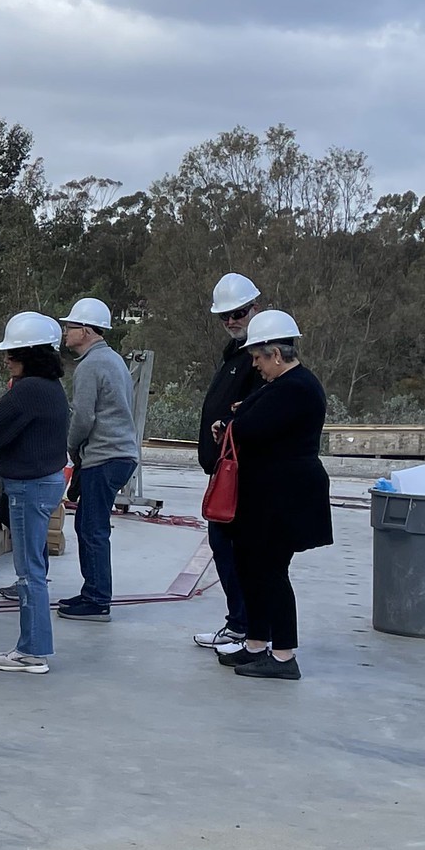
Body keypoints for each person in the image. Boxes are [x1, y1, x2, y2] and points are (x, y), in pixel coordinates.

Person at [217, 310, 330, 681]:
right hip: (267, 495)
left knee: (271, 572)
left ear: (276, 355)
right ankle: (256, 643)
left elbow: (250, 427)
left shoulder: (295, 388)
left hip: (285, 496)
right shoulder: (284, 386)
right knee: (252, 567)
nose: (256, 366)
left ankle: (283, 654)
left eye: (258, 358)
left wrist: (233, 422)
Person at [0, 314, 70, 675]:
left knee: (29, 571)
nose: (6, 359)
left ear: (29, 355)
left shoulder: (30, 390)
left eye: (12, 353)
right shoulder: (48, 388)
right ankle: (33, 647)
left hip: (30, 488)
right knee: (33, 567)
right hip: (41, 483)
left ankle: (33, 650)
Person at [55, 297, 139, 622]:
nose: (66, 332)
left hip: (104, 456)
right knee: (89, 524)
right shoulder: (113, 360)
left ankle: (97, 599)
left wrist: (72, 448)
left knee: (92, 527)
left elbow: (83, 419)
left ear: (87, 330)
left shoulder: (90, 365)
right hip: (118, 455)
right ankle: (93, 591)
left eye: (71, 326)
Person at [193, 272, 263, 653]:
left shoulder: (260, 357)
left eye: (238, 313)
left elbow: (260, 413)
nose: (232, 321)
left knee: (235, 549)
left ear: (256, 308)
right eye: (226, 316)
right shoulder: (236, 355)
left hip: (242, 473)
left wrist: (233, 426)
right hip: (225, 469)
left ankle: (246, 627)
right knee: (224, 546)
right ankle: (240, 623)